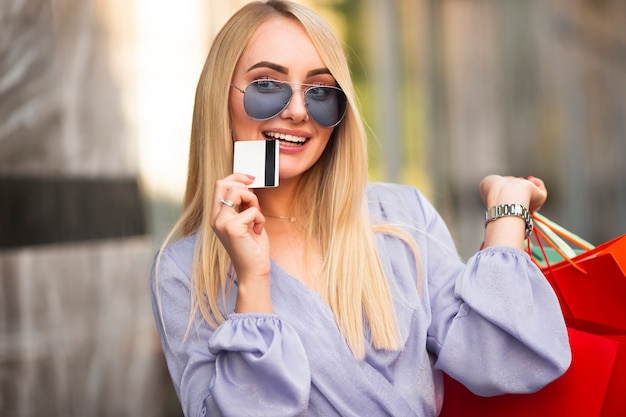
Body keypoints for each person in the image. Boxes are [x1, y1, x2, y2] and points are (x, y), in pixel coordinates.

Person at [150, 1, 571, 416]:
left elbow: (502, 360)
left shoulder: (403, 215)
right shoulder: (183, 270)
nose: (297, 111)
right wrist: (253, 281)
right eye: (266, 84)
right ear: (220, 95)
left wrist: (506, 214)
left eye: (320, 91)